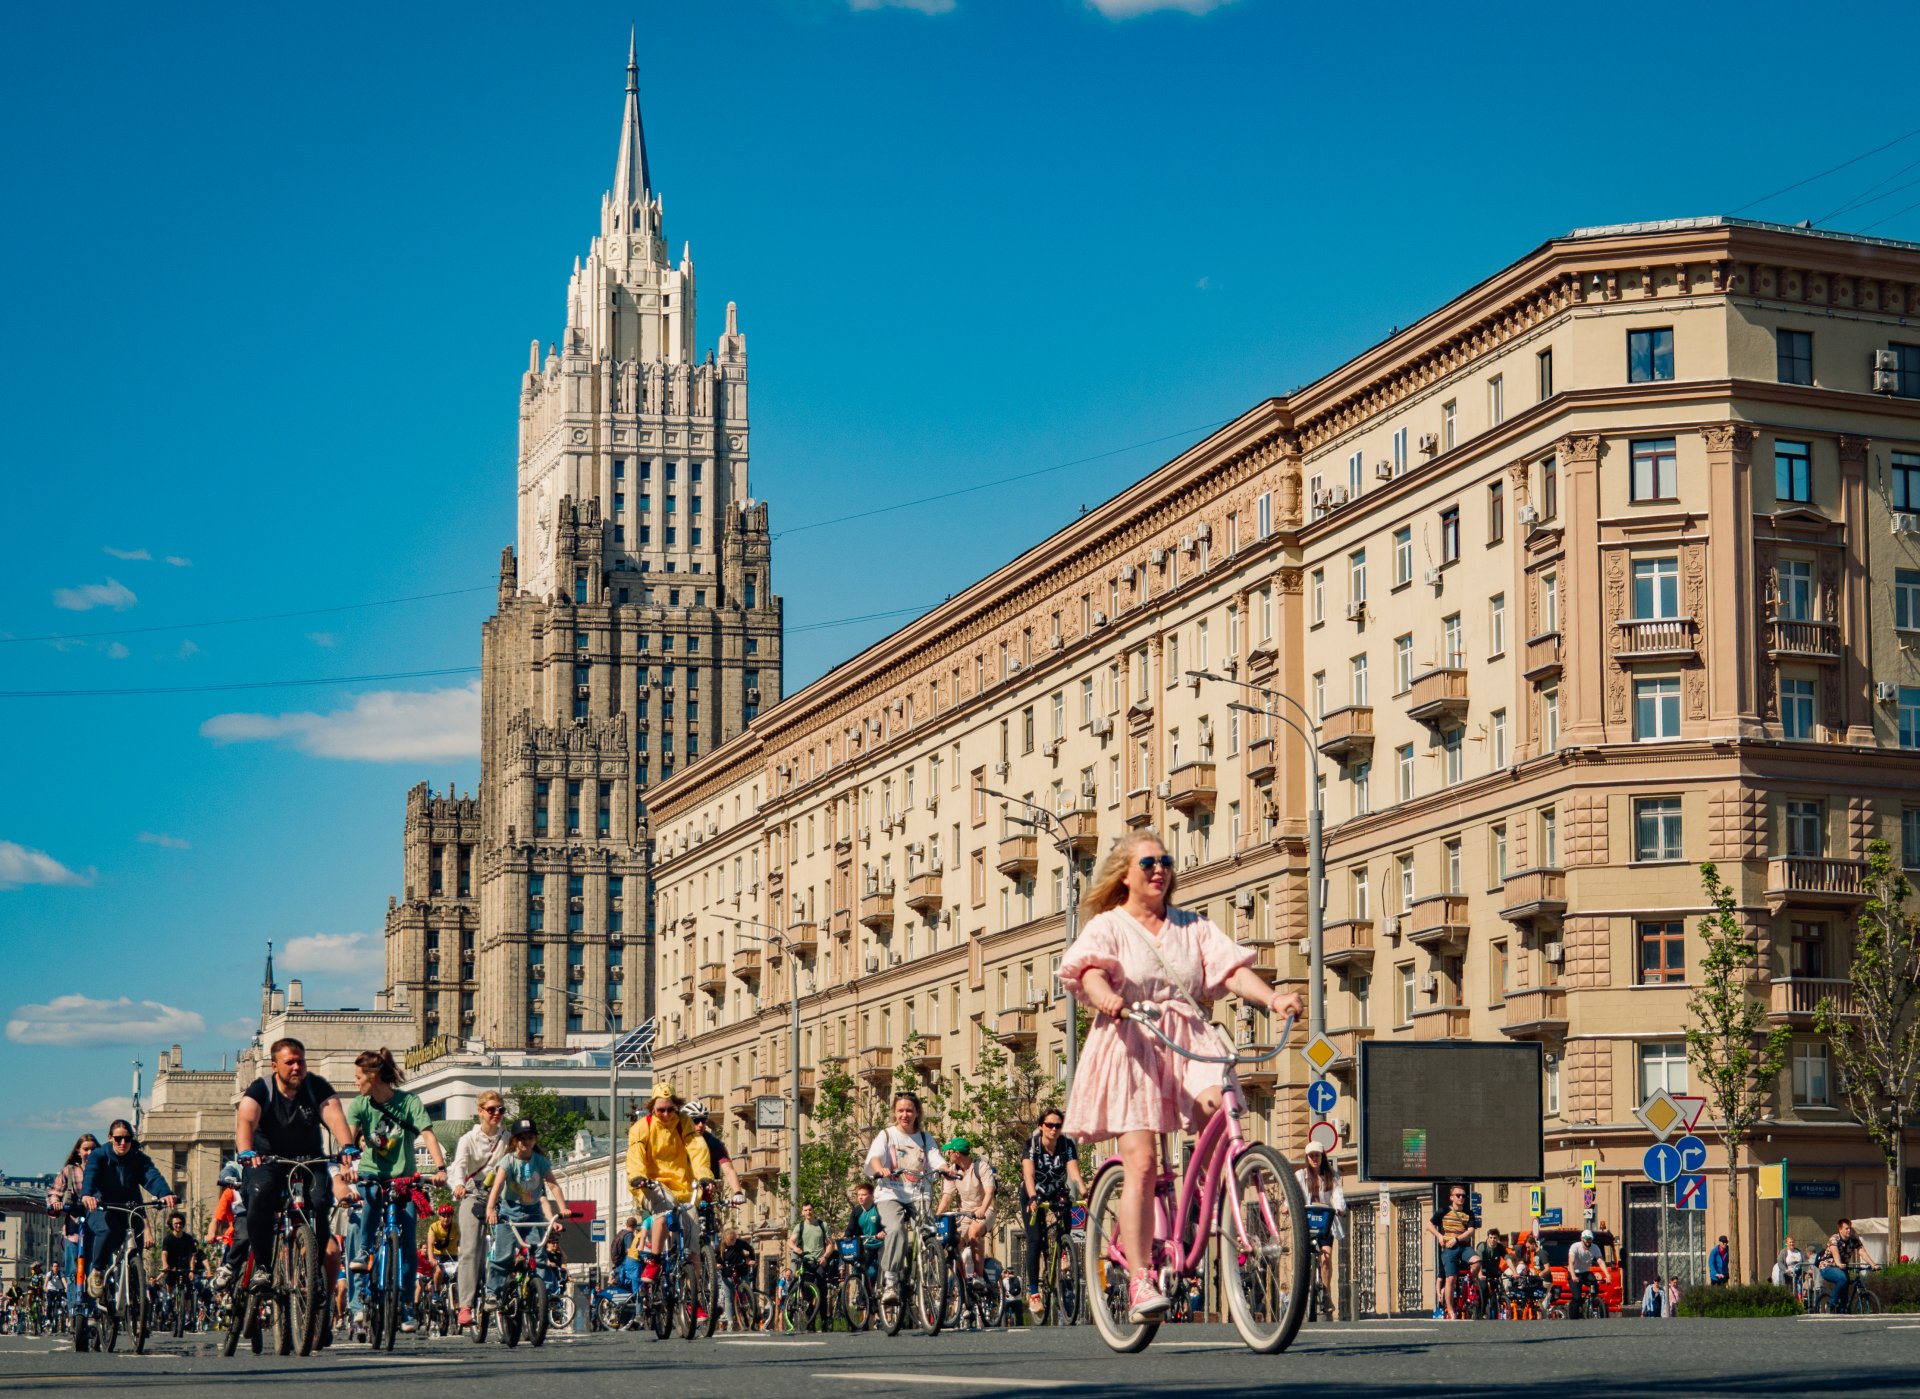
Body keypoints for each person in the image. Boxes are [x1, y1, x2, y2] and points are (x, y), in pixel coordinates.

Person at [1059, 830, 1304, 1321]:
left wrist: (1273, 998)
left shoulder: (1192, 926)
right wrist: (1105, 994)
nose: (1159, 870)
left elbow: (1231, 972)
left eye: (1165, 861)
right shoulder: (1110, 925)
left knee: (1222, 1106)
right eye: (1148, 862)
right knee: (1144, 1163)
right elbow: (1087, 970)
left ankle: (1209, 1193)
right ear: (1125, 874)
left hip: (1188, 1034)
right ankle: (1141, 1280)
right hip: (1131, 1038)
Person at [235, 1037, 355, 1300]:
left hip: (308, 1158)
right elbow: (246, 1119)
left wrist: (347, 1145)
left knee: (321, 1202)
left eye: (300, 1061)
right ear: (274, 1065)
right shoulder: (261, 1088)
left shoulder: (315, 1086)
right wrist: (246, 1151)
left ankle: (315, 1270)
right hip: (267, 1159)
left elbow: (334, 1113)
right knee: (261, 1194)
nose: (296, 1067)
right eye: (289, 1062)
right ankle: (264, 1267)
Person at [344, 1046, 446, 1332]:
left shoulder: (409, 1102)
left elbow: (427, 1133)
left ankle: (405, 1304)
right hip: (372, 1175)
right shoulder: (360, 1105)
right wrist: (346, 1166)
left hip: (403, 1180)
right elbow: (349, 1142)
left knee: (409, 1241)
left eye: (357, 1077)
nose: (355, 1082)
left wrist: (440, 1169)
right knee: (372, 1201)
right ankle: (363, 1266)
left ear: (373, 1077)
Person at [626, 1084, 714, 1284]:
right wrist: (638, 1176)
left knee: (693, 1248)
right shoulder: (642, 1128)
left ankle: (695, 1300)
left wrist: (704, 1176)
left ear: (676, 1107)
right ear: (652, 1109)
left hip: (682, 1188)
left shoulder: (684, 1124)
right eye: (660, 1110)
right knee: (665, 1211)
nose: (666, 1114)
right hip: (650, 1185)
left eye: (670, 1109)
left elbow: (697, 1149)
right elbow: (635, 1155)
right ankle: (654, 1262)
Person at [80, 1119, 178, 1298]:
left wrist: (164, 1193)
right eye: (118, 1139)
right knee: (108, 1231)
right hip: (101, 1207)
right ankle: (97, 1271)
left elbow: (151, 1176)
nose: (123, 1143)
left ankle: (135, 1283)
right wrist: (87, 1195)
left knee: (137, 1232)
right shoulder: (99, 1156)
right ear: (110, 1138)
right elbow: (90, 1174)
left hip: (127, 1208)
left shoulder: (137, 1158)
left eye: (127, 1139)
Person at [865, 1091, 944, 1307]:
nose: (905, 1114)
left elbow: (936, 1158)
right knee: (896, 1229)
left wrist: (946, 1169)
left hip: (918, 1193)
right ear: (894, 1112)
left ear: (917, 1112)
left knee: (929, 1232)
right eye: (900, 1110)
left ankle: (928, 1275)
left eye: (909, 1110)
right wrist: (880, 1169)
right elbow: (873, 1158)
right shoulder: (887, 1135)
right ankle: (890, 1281)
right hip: (891, 1193)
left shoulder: (925, 1138)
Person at [447, 1088, 511, 1328]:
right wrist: (459, 1185)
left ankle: (508, 1293)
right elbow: (459, 1166)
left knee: (510, 1241)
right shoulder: (468, 1139)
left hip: (502, 1196)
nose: (496, 1114)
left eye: (500, 1110)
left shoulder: (507, 1138)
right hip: (474, 1195)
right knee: (471, 1249)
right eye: (491, 1110)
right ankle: (465, 1305)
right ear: (480, 1111)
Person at [483, 1117, 567, 1301]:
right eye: (522, 1138)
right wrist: (491, 1210)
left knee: (539, 1255)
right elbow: (497, 1186)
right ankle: (492, 1293)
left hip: (533, 1213)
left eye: (530, 1138)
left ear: (535, 1140)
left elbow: (553, 1185)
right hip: (509, 1212)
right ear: (514, 1141)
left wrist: (563, 1209)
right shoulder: (508, 1161)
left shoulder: (540, 1161)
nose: (526, 1142)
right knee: (503, 1257)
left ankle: (546, 1294)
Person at [1020, 1110, 1084, 1315]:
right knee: (1035, 1241)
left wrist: (1084, 1190)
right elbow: (1028, 1174)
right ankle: (1034, 1294)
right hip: (1034, 1194)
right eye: (1049, 1125)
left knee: (1067, 1213)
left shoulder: (1067, 1144)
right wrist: (1032, 1197)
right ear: (1041, 1126)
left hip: (1056, 1191)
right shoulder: (1032, 1145)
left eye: (1058, 1125)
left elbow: (1073, 1170)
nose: (1054, 1129)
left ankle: (1064, 1251)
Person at [936, 1138, 997, 1288]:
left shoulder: (980, 1167)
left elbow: (990, 1191)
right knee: (953, 1245)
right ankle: (962, 1283)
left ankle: (979, 1277)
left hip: (985, 1210)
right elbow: (947, 1196)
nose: (947, 1153)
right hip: (964, 1214)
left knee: (973, 1233)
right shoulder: (952, 1171)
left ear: (957, 1153)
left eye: (949, 1151)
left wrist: (982, 1209)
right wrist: (937, 1216)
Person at [1296, 1143, 1347, 1319]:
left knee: (1326, 1256)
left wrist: (1340, 1208)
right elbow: (1294, 1195)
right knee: (1301, 1258)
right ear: (1307, 1158)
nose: (1314, 1159)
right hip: (1305, 1223)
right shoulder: (1300, 1176)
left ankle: (1326, 1293)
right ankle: (1300, 1292)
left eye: (1317, 1155)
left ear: (1322, 1156)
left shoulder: (1331, 1176)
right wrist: (1288, 1206)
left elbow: (1338, 1195)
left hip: (1325, 1221)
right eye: (1311, 1156)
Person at [47, 1134, 97, 1297]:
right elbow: (54, 1192)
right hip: (73, 1227)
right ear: (78, 1151)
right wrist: (56, 1203)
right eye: (86, 1149)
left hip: (97, 1226)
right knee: (72, 1272)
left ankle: (95, 1309)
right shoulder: (70, 1171)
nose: (90, 1152)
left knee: (95, 1270)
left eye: (93, 1149)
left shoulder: (102, 1170)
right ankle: (73, 1310)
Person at [1425, 1184, 1475, 1320]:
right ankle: (1451, 1310)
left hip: (1463, 1246)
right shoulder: (1443, 1211)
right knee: (1451, 1278)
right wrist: (1439, 1236)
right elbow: (1429, 1225)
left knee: (1477, 1262)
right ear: (1452, 1197)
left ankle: (1470, 1287)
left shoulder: (1469, 1213)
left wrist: (1457, 1239)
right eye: (1458, 1195)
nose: (1461, 1198)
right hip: (1449, 1249)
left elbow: (1470, 1231)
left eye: (1464, 1196)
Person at [684, 1101, 749, 1204]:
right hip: (679, 1191)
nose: (700, 1125)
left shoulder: (713, 1143)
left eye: (703, 1121)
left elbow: (728, 1169)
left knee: (707, 1214)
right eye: (695, 1121)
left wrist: (738, 1192)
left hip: (704, 1191)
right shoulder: (677, 1140)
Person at [1818, 1218, 1872, 1310]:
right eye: (1846, 1228)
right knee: (1842, 1278)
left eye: (1850, 1228)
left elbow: (1862, 1252)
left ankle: (1843, 1310)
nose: (1849, 1230)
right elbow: (1835, 1254)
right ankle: (1831, 1304)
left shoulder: (1854, 1240)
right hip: (1827, 1267)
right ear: (1840, 1229)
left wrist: (1872, 1264)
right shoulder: (1834, 1239)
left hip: (1842, 1268)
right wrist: (1838, 1263)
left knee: (1845, 1296)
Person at [1566, 1228, 1612, 1315]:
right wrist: (1573, 1276)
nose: (1588, 1241)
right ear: (1582, 1239)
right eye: (1586, 1239)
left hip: (1586, 1272)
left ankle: (1592, 1302)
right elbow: (1571, 1262)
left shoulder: (1595, 1248)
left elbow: (1600, 1261)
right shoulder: (1575, 1247)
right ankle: (1574, 1315)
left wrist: (1608, 1275)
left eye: (1590, 1239)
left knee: (1595, 1284)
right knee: (1577, 1297)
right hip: (1574, 1272)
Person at [718, 1227, 757, 1331]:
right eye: (731, 1240)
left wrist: (751, 1259)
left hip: (741, 1270)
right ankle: (730, 1321)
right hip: (728, 1274)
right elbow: (717, 1259)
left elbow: (750, 1248)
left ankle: (753, 1316)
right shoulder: (720, 1247)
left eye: (734, 1239)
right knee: (728, 1297)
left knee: (747, 1292)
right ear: (726, 1239)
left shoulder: (739, 1243)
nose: (734, 1242)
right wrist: (718, 1265)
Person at [160, 1212, 199, 1296]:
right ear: (171, 1225)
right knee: (169, 1281)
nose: (178, 1225)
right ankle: (170, 1296)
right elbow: (164, 1253)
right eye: (176, 1223)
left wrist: (192, 1270)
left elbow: (193, 1254)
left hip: (185, 1266)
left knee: (189, 1286)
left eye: (180, 1223)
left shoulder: (189, 1238)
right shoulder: (168, 1239)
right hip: (172, 1266)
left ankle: (188, 1305)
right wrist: (165, 1264)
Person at [789, 1201, 830, 1272]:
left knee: (820, 1281)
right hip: (806, 1262)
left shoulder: (822, 1225)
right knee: (803, 1282)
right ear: (803, 1212)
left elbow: (830, 1244)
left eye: (810, 1209)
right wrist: (795, 1248)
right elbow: (790, 1242)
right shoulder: (799, 1227)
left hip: (819, 1262)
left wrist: (825, 1257)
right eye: (806, 1210)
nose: (808, 1212)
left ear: (813, 1210)